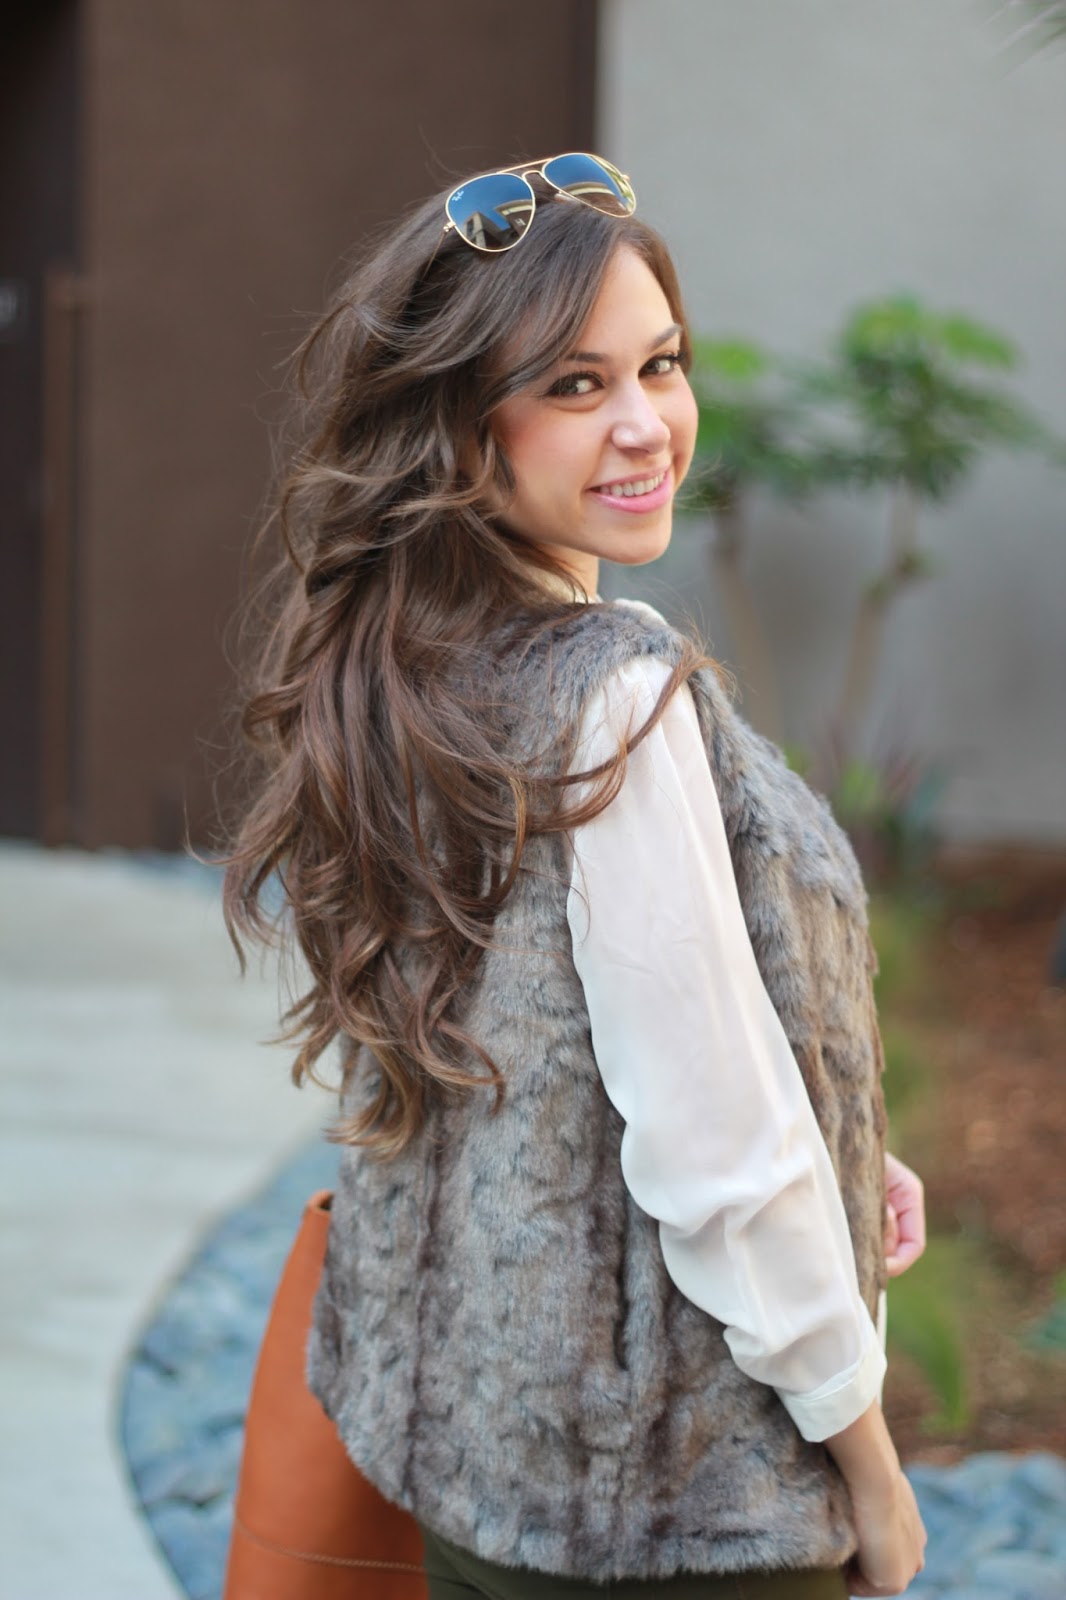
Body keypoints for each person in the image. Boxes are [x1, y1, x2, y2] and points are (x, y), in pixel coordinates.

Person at [222, 153, 929, 1600]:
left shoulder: (407, 665)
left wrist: (846, 1156)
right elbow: (715, 1149)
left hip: (481, 1473)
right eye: (573, 385)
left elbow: (546, 1051)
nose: (645, 424)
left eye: (659, 365)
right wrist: (867, 1460)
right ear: (461, 425)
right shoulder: (612, 696)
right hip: (674, 1508)